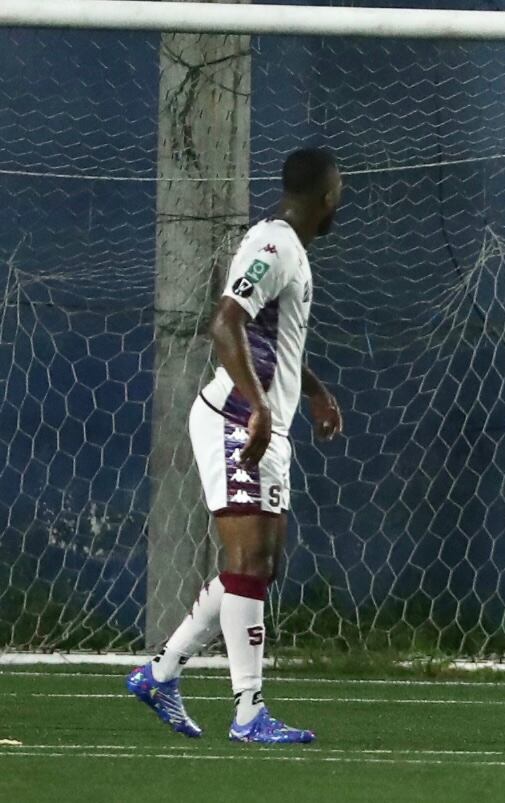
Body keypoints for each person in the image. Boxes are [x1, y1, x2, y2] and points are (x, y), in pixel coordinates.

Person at [125, 148, 344, 743]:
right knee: (249, 562)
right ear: (325, 196)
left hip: (265, 422)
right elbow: (225, 322)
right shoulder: (272, 247)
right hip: (237, 421)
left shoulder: (290, 251)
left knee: (259, 566)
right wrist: (261, 407)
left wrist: (314, 390)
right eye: (339, 188)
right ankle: (248, 712)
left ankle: (161, 673)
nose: (340, 198)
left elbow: (273, 338)